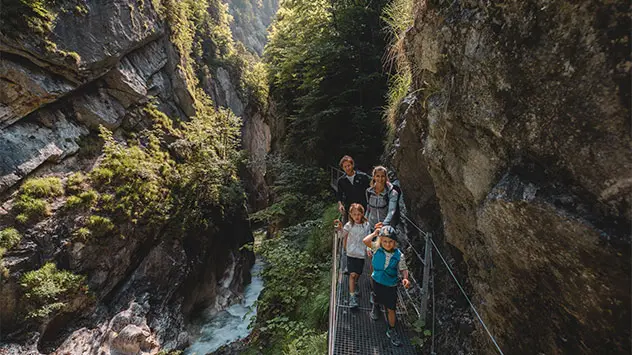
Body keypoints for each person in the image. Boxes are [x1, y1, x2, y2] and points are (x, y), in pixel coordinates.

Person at [363, 225, 410, 347]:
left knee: (391, 308)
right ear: (381, 241)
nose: (387, 244)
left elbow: (403, 268)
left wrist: (405, 278)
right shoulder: (377, 248)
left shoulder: (399, 255)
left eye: (390, 242)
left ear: (394, 242)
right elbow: (365, 241)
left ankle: (391, 329)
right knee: (377, 296)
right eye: (384, 241)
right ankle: (376, 306)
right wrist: (375, 234)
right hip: (377, 281)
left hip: (390, 284)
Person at [334, 203, 371, 309]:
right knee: (352, 274)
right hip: (350, 253)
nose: (357, 217)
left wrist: (368, 248)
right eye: (354, 214)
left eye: (359, 214)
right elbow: (341, 235)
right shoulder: (349, 225)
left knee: (358, 273)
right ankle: (352, 298)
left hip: (360, 254)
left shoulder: (366, 225)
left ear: (362, 214)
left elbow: (368, 237)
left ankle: (355, 284)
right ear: (350, 214)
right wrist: (340, 228)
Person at [336, 155, 371, 222]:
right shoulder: (341, 181)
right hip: (349, 208)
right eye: (345, 167)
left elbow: (372, 185)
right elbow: (339, 195)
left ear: (352, 165)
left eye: (348, 165)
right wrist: (340, 205)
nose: (347, 168)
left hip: (363, 207)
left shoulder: (362, 176)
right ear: (342, 168)